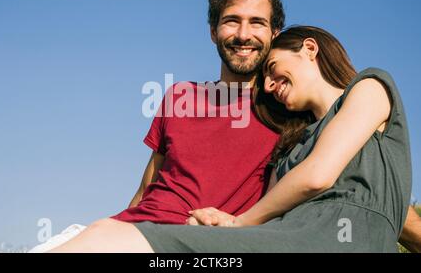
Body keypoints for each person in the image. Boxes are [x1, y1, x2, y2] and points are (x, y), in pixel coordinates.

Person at [33, 0, 421, 252]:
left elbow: (356, 184)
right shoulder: (180, 97)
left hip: (210, 243)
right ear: (213, 31)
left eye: (257, 22)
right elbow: (146, 189)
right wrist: (120, 224)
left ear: (274, 35)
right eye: (231, 20)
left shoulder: (291, 117)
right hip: (129, 231)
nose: (242, 33)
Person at [122, 26, 415, 252]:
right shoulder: (293, 148)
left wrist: (238, 223)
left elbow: (318, 176)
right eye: (266, 81)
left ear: (309, 49)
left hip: (334, 242)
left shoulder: (369, 87)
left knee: (134, 241)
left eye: (272, 68)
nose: (271, 86)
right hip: (281, 237)